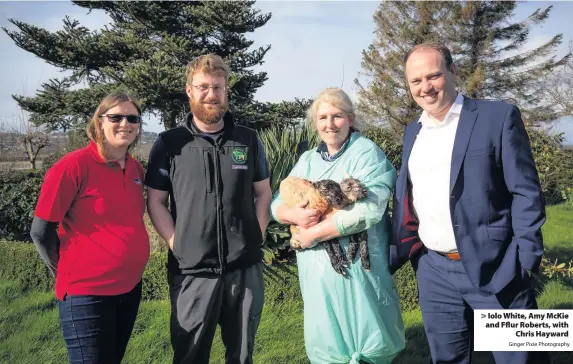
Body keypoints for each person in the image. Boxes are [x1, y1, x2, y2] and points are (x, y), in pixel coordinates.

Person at [390, 43, 549, 363]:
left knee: (519, 359)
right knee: (447, 359)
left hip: (497, 266)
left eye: (433, 76)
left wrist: (525, 257)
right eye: (415, 81)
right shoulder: (413, 132)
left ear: (453, 72)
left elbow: (526, 191)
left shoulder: (497, 116)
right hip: (434, 270)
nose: (425, 88)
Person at [145, 54, 272, 364]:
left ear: (226, 90)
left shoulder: (247, 140)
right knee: (189, 356)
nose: (211, 94)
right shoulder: (169, 144)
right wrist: (176, 243)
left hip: (244, 270)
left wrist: (256, 235)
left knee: (241, 356)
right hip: (192, 272)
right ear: (189, 90)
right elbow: (156, 202)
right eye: (203, 86)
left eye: (218, 86)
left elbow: (264, 194)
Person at [270, 87, 405, 364]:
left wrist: (312, 235)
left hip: (358, 268)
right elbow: (276, 202)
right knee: (327, 341)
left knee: (368, 337)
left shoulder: (366, 153)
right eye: (323, 118)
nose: (329, 124)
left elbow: (368, 211)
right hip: (317, 275)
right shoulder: (308, 160)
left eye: (337, 116)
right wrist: (291, 215)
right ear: (315, 123)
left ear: (351, 118)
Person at [30, 92, 150, 363]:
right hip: (87, 294)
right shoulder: (72, 166)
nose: (125, 123)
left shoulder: (135, 169)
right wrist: (64, 274)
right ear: (99, 122)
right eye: (115, 117)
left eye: (132, 118)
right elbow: (40, 231)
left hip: (129, 289)